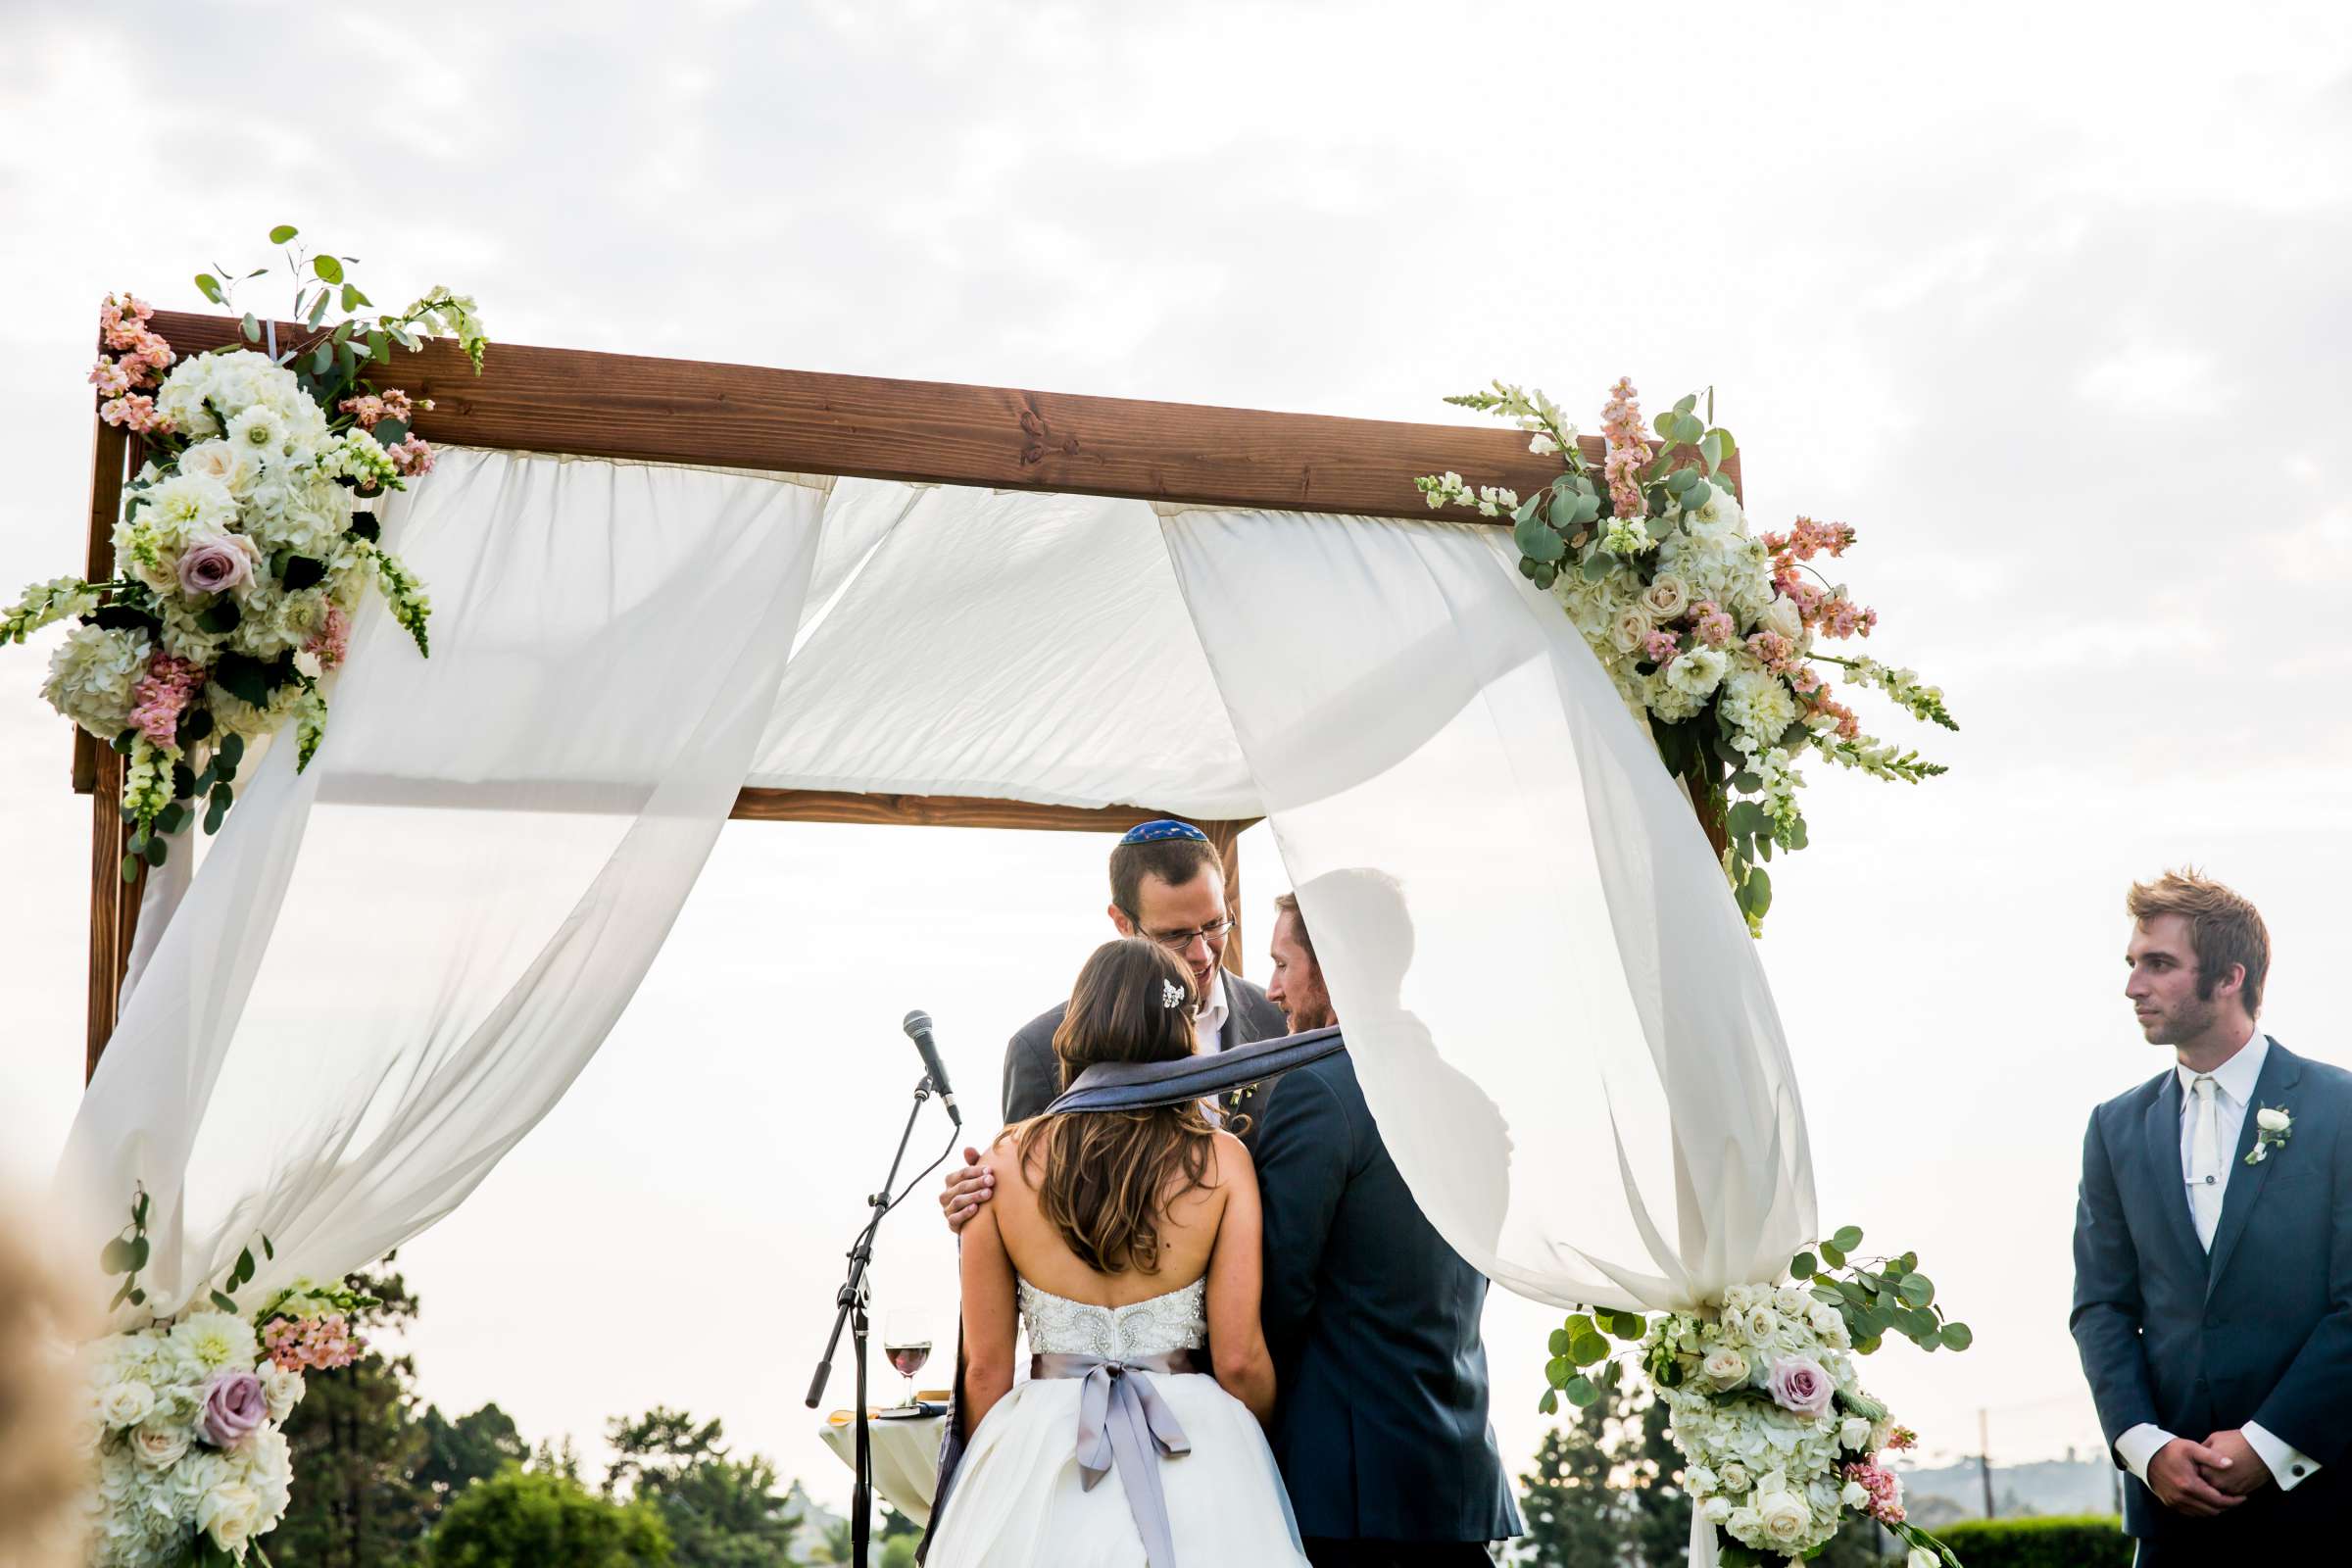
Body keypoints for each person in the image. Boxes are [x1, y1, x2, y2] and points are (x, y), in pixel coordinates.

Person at [923, 937, 1310, 1567]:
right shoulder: (1222, 1161)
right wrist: (1255, 1447)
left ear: (1077, 1028)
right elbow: (1239, 1359)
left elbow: (986, 1370)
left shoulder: (1001, 1162)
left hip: (1043, 1442)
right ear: (1179, 1031)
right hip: (1195, 1443)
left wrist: (986, 1480)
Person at [2072, 869, 2351, 1558]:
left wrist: (2269, 1445)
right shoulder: (2114, 1127)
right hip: (2172, 1522)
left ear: (2229, 977)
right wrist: (2145, 1447)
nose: (2134, 986)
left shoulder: (2339, 1110)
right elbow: (2101, 1307)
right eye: (2133, 964)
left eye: (2159, 965)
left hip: (2322, 1507)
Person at [1247, 891, 1519, 1567]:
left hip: (1347, 1495)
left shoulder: (1319, 1091)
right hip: (1453, 1482)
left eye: (1284, 964)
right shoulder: (1473, 1100)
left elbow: (1277, 1297)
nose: (1272, 988)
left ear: (1332, 966)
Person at [997, 819, 1288, 1129]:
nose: (1202, 954)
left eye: (1214, 924)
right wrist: (984, 1179)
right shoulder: (1040, 1051)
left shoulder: (1279, 1019)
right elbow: (1024, 1172)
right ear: (1122, 922)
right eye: (1175, 934)